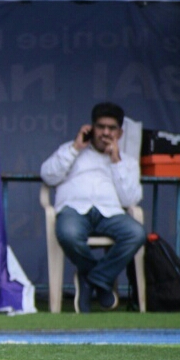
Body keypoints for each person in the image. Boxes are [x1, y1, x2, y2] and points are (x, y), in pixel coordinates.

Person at [40, 101, 145, 313]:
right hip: (75, 211)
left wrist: (115, 159)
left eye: (111, 128)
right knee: (68, 233)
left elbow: (130, 200)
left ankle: (94, 279)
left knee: (136, 233)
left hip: (111, 214)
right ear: (91, 128)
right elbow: (48, 175)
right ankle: (97, 278)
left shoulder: (127, 161)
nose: (105, 133)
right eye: (100, 127)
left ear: (120, 133)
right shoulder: (72, 150)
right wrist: (75, 148)